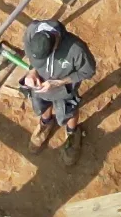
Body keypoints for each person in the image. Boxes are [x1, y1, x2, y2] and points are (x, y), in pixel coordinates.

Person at [17, 18, 96, 146]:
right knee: (41, 104)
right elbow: (31, 58)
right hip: (40, 88)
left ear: (55, 45)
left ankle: (72, 133)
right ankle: (46, 122)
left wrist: (60, 82)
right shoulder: (32, 31)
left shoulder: (76, 49)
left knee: (68, 112)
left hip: (63, 91)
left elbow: (88, 71)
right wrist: (32, 72)